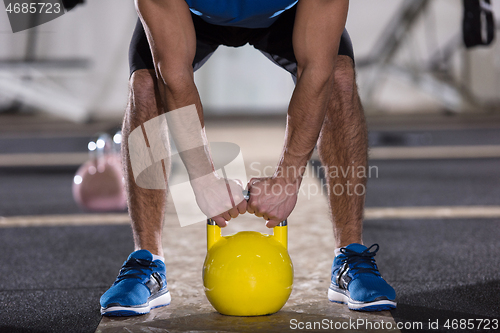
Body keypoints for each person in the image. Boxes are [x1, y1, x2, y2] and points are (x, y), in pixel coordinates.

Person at [100, 0, 396, 316]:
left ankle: (350, 255)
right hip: (192, 14)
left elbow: (317, 72)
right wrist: (203, 179)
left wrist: (288, 177)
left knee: (338, 78)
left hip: (284, 14)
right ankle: (147, 260)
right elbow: (172, 75)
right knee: (146, 86)